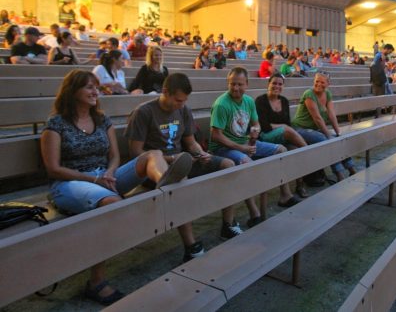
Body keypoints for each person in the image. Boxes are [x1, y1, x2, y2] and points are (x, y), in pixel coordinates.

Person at [40, 70, 192, 305]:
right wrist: (94, 180)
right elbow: (53, 168)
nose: (95, 92)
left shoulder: (102, 119)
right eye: (89, 87)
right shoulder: (56, 124)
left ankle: (164, 184)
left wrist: (110, 172)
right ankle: (96, 283)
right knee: (112, 204)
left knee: (153, 154)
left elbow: (114, 156)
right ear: (73, 91)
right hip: (70, 183)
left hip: (105, 177)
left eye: (96, 87)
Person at [125, 73, 241, 243]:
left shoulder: (183, 110)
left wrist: (201, 153)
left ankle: (228, 224)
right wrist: (172, 159)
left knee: (228, 165)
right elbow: (136, 153)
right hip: (156, 170)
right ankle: (191, 245)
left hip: (183, 160)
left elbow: (191, 141)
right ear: (165, 91)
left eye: (185, 101)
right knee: (180, 178)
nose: (182, 105)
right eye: (179, 100)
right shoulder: (144, 112)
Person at [209, 67, 290, 228]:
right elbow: (215, 136)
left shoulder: (248, 101)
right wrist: (242, 148)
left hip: (244, 143)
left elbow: (255, 123)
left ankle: (282, 192)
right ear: (228, 84)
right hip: (223, 148)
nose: (236, 88)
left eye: (240, 84)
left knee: (281, 150)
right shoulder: (222, 104)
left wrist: (255, 131)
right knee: (246, 161)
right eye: (232, 84)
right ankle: (255, 212)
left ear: (246, 84)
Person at [292, 72, 357, 182]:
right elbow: (317, 118)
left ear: (328, 83)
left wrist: (338, 133)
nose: (318, 84)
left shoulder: (327, 94)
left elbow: (331, 114)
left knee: (338, 139)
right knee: (326, 140)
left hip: (314, 129)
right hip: (299, 128)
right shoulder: (309, 94)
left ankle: (351, 169)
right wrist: (328, 135)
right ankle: (339, 175)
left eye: (322, 82)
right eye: (317, 81)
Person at [255, 74, 308, 199]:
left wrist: (281, 126)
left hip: (282, 136)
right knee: (287, 131)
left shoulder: (284, 101)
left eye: (280, 84)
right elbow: (264, 126)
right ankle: (310, 152)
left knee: (296, 151)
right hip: (264, 137)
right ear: (268, 84)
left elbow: (288, 123)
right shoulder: (261, 100)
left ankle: (300, 185)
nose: (277, 86)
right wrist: (282, 126)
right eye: (274, 83)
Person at [370, 43, 395, 117]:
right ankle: (378, 114)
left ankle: (382, 113)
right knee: (380, 96)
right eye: (389, 51)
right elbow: (373, 66)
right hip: (378, 78)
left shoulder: (383, 56)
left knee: (385, 94)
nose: (389, 53)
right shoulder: (378, 55)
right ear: (386, 49)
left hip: (382, 78)